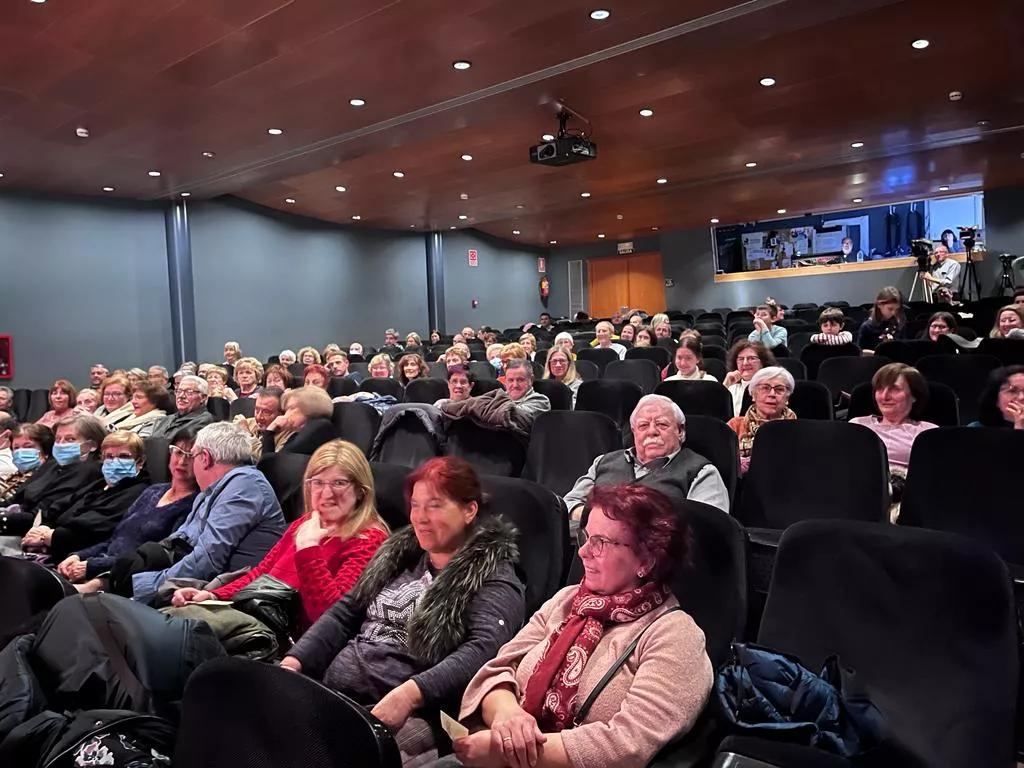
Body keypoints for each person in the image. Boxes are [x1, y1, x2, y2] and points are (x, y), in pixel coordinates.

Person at [280, 456, 525, 762]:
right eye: (416, 505)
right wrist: (293, 663)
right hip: (335, 693)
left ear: (469, 510)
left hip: (413, 711)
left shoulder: (493, 576)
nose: (420, 517)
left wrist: (410, 694)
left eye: (434, 505)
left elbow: (485, 649)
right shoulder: (400, 555)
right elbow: (345, 612)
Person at [455, 484, 713, 768]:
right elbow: (499, 669)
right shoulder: (568, 600)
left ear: (647, 559)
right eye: (586, 537)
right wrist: (507, 716)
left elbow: (627, 746)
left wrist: (506, 751)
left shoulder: (674, 634)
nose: (584, 552)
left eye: (601, 542)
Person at [170, 439, 390, 635]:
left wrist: (308, 549)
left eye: (339, 483)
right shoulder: (304, 523)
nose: (326, 493)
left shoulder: (369, 540)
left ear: (361, 491)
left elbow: (329, 619)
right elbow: (261, 573)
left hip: (286, 642)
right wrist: (213, 596)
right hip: (256, 617)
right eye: (318, 482)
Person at [122, 422, 286, 605]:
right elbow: (182, 541)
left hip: (230, 597)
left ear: (205, 458)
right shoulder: (214, 489)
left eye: (192, 456)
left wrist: (147, 587)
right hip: (204, 586)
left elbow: (207, 559)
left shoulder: (245, 486)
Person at [59, 425, 201, 593]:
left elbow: (154, 558)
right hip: (99, 564)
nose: (182, 461)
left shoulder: (194, 503)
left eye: (190, 456)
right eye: (177, 452)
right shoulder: (153, 491)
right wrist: (79, 555)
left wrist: (92, 566)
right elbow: (116, 538)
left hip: (123, 578)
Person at [564, 395, 730, 522]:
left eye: (662, 424)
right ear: (634, 431)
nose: (652, 431)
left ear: (680, 431)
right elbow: (569, 503)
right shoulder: (603, 462)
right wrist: (599, 519)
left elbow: (709, 526)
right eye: (643, 426)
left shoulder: (701, 472)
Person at [21, 431, 150, 562]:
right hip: (50, 545)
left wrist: (47, 538)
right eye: (109, 456)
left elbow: (93, 529)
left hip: (77, 557)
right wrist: (44, 527)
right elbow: (59, 506)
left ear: (140, 461)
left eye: (124, 456)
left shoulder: (139, 491)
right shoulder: (100, 484)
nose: (115, 461)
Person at [850, 364, 938, 518]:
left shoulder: (928, 431)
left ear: (914, 395)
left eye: (894, 389)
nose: (884, 396)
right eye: (880, 389)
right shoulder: (857, 425)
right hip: (858, 491)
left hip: (908, 499)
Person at [727, 366, 797, 475]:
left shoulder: (799, 429)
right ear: (753, 395)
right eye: (765, 388)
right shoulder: (735, 425)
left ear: (787, 399)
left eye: (779, 389)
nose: (772, 394)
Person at [263, 386, 337, 456]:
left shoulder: (319, 428)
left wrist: (270, 430)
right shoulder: (302, 432)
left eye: (291, 408)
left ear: (309, 408)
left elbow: (271, 463)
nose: (286, 414)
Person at [0, 423, 53, 506]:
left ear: (45, 450)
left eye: (28, 447)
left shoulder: (49, 477)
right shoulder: (13, 476)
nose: (20, 452)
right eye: (16, 448)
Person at [149, 375, 215, 439]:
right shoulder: (166, 419)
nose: (181, 396)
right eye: (178, 391)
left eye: (189, 392)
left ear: (203, 397)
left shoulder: (205, 421)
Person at [723, 341, 774, 418]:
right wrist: (725, 386)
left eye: (751, 358)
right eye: (741, 359)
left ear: (763, 362)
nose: (745, 363)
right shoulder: (731, 389)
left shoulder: (772, 389)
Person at [234, 387, 286, 459]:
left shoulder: (289, 436)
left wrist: (247, 435)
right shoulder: (246, 423)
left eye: (266, 412)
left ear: (282, 414)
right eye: (257, 410)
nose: (258, 417)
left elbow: (265, 462)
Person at [858, 286, 906, 352]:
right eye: (890, 309)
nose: (893, 312)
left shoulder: (898, 323)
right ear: (879, 305)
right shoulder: (867, 327)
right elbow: (860, 352)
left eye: (896, 309)